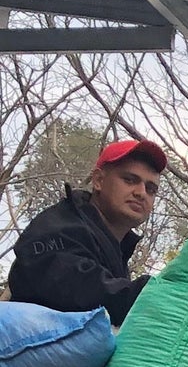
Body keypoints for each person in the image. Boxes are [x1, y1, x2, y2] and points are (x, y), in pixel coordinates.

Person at [6, 137, 167, 324]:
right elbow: (78, 289)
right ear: (98, 180)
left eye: (151, 189)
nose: (141, 193)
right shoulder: (59, 227)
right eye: (129, 180)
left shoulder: (113, 248)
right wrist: (162, 291)